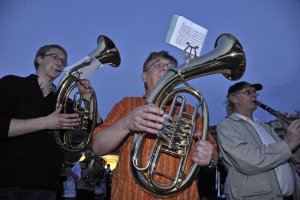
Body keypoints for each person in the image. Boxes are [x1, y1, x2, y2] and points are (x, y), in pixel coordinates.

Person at [92, 50, 218, 200]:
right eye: (157, 65)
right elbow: (97, 147)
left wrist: (209, 158)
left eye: (171, 67)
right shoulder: (126, 104)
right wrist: (127, 123)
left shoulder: (191, 111)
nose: (166, 69)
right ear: (144, 76)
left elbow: (213, 155)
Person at [0, 44, 94, 200]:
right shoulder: (13, 84)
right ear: (39, 59)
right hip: (9, 184)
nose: (60, 63)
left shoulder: (64, 102)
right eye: (54, 56)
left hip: (48, 187)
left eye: (63, 61)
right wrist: (46, 122)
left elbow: (90, 132)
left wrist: (87, 97)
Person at [217, 81, 300, 200]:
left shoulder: (265, 126)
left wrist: (293, 134)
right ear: (234, 98)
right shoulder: (226, 126)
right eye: (248, 92)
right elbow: (248, 160)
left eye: (255, 93)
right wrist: (288, 143)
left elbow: (293, 158)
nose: (254, 95)